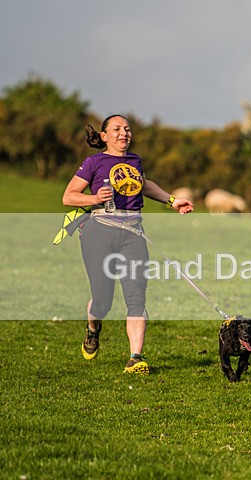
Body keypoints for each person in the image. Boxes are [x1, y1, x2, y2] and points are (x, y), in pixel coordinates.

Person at [62, 114, 194, 374]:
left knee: (136, 297)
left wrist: (172, 201)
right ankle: (92, 328)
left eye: (127, 129)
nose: (124, 133)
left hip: (133, 235)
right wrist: (95, 198)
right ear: (104, 136)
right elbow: (68, 197)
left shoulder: (134, 161)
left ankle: (136, 357)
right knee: (103, 301)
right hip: (99, 233)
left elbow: (144, 185)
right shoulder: (94, 162)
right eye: (117, 129)